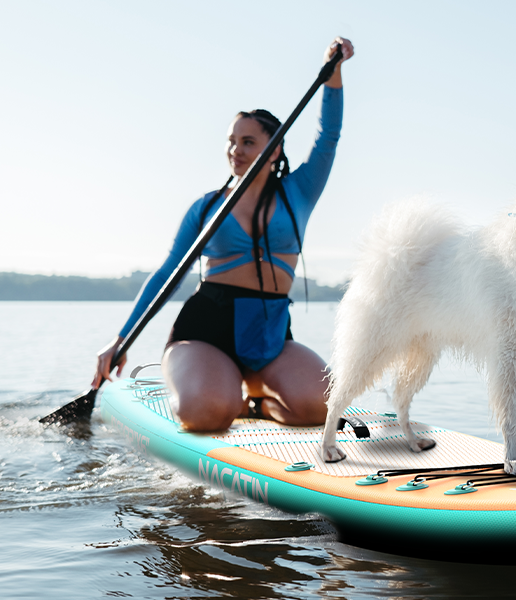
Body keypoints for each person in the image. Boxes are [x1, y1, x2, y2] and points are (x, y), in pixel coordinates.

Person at [92, 37, 354, 431]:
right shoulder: (207, 207)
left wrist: (332, 77)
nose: (237, 150)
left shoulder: (299, 192)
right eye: (232, 141)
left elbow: (327, 137)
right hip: (206, 329)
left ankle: (258, 404)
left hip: (269, 333)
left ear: (275, 147)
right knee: (208, 414)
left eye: (249, 142)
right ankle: (212, 389)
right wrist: (120, 338)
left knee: (323, 408)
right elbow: (167, 274)